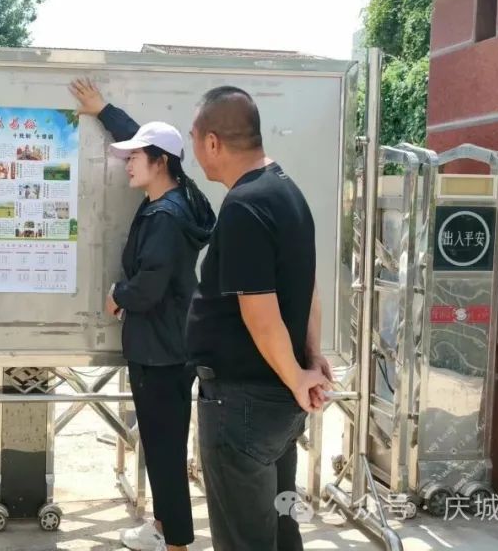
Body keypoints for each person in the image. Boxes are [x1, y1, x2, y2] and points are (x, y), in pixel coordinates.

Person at [70, 79, 216, 551]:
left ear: (160, 163)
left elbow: (150, 287)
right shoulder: (179, 199)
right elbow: (152, 140)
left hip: (159, 352)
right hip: (169, 345)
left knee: (164, 450)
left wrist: (119, 296)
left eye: (135, 157)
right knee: (162, 445)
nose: (128, 163)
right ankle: (165, 529)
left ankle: (175, 542)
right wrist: (104, 111)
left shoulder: (165, 218)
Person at [184, 86, 331, 551]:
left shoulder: (245, 206)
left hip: (243, 406)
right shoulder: (286, 191)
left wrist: (299, 376)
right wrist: (309, 359)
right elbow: (306, 286)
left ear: (212, 142)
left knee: (245, 539)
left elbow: (260, 312)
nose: (194, 151)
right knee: (281, 528)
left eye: (194, 138)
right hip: (275, 405)